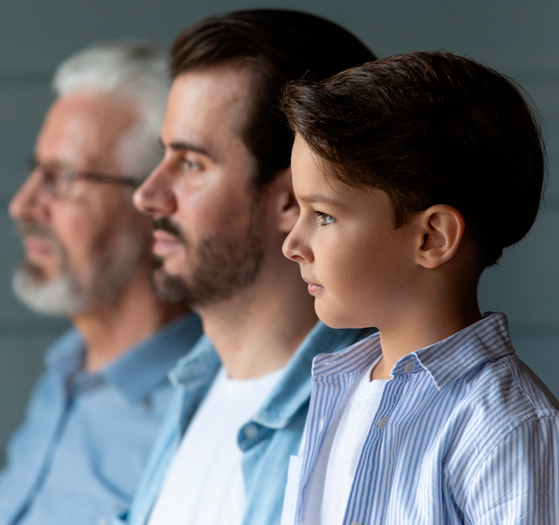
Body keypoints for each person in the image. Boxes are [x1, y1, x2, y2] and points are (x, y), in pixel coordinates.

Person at [280, 51, 559, 524]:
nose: (292, 244)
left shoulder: (509, 429)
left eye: (324, 215)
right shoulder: (340, 389)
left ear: (432, 237)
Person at [122, 10, 376, 525]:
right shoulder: (194, 387)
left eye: (191, 164)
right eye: (162, 155)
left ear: (293, 197)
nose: (148, 195)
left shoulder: (371, 423)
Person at [0, 42, 201, 525]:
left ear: (155, 202)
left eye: (64, 178)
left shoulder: (196, 420)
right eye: (36, 171)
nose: (23, 204)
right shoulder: (62, 376)